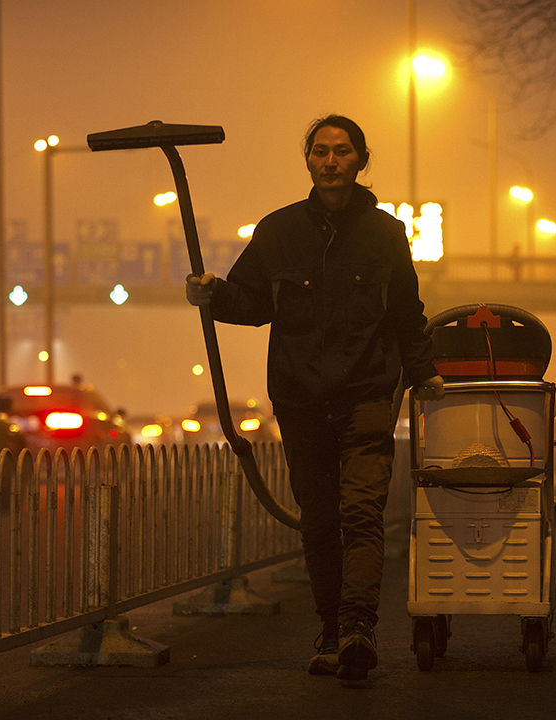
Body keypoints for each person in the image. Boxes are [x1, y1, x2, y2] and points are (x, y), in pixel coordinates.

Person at [185, 115, 444, 682]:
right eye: (321, 152)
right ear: (308, 161)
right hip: (301, 398)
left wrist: (423, 373)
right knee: (321, 519)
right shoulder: (277, 233)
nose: (331, 162)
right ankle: (331, 631)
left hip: (368, 394)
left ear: (360, 161)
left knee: (362, 512)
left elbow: (405, 313)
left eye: (343, 152)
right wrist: (213, 295)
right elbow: (252, 303)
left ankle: (357, 628)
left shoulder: (386, 233)